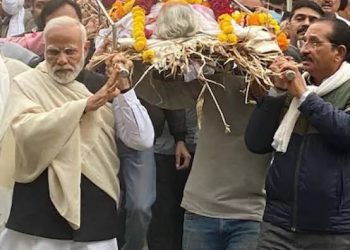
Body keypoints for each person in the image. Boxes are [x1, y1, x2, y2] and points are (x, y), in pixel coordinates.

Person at [0, 16, 154, 249]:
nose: (62, 60)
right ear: (43, 49)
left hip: (95, 212)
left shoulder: (105, 85)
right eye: (53, 52)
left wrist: (124, 86)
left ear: (85, 48)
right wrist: (83, 107)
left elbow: (141, 139)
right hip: (38, 216)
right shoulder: (27, 84)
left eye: (70, 51)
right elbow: (26, 131)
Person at [131, 2, 271, 250]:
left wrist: (273, 95)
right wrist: (132, 67)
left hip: (252, 214)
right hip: (200, 209)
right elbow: (163, 95)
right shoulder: (215, 82)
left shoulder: (283, 101)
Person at [245, 18, 350, 249]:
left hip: (333, 230)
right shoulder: (293, 85)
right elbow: (256, 142)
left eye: (315, 43)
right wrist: (276, 92)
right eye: (303, 42)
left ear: (338, 52)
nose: (304, 49)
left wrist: (305, 98)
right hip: (278, 225)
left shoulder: (338, 87)